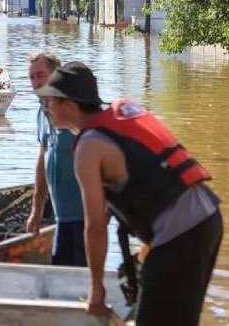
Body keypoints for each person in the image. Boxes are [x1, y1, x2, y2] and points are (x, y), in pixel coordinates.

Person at [36, 61, 222, 324]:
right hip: (208, 218)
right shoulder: (119, 116)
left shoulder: (88, 148)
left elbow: (96, 227)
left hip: (181, 232)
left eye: (50, 101)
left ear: (69, 104)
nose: (45, 108)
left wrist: (96, 288)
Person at [25, 53, 86, 267]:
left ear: (56, 76)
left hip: (84, 218)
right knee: (62, 281)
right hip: (61, 219)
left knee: (79, 283)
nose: (36, 82)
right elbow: (44, 158)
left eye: (41, 75)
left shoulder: (73, 110)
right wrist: (37, 208)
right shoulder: (42, 113)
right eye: (31, 77)